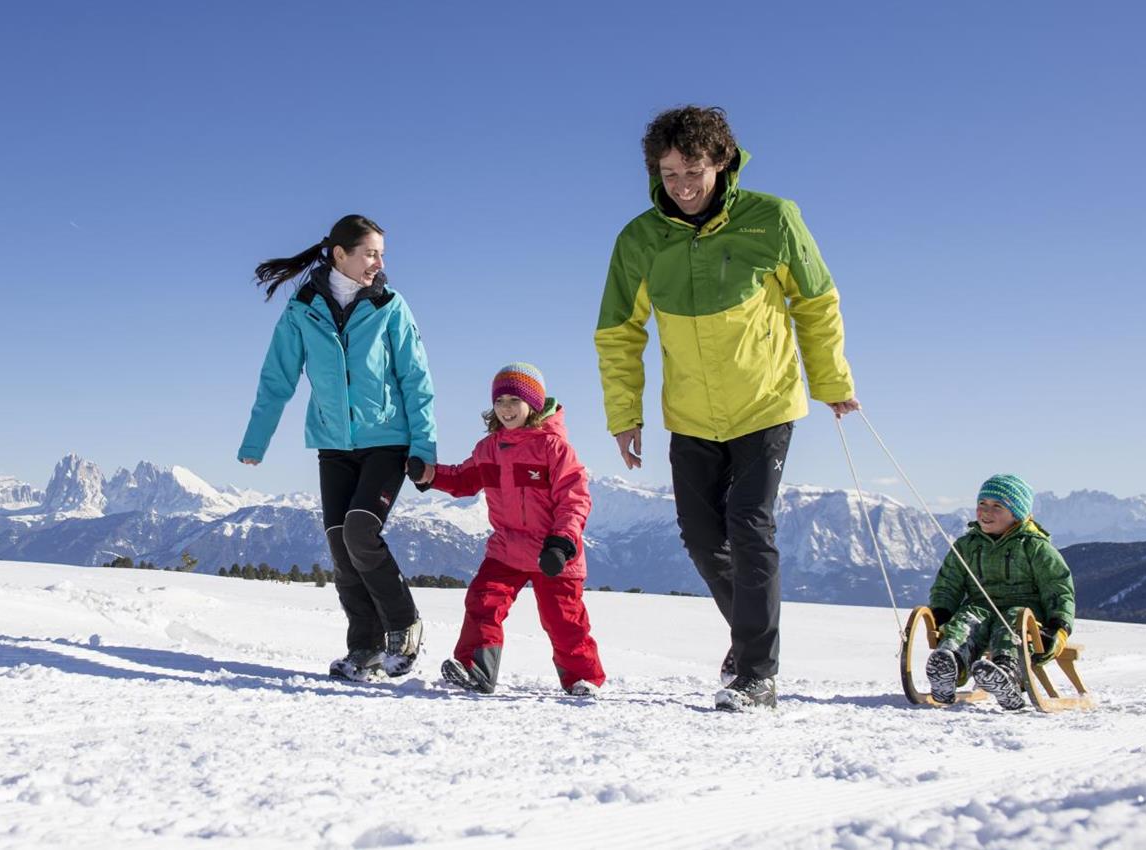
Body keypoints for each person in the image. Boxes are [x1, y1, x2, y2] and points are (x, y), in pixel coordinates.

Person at [593, 105, 859, 711]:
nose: (682, 187)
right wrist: (624, 414)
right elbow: (618, 334)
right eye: (668, 174)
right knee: (699, 535)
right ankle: (748, 641)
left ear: (722, 162)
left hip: (766, 401)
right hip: (689, 412)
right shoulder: (639, 240)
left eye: (694, 172)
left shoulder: (774, 220)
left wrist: (832, 381)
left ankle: (756, 671)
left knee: (748, 522)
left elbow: (816, 305)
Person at [238, 214, 437, 682]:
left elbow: (416, 377)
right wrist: (256, 439)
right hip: (333, 443)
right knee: (340, 546)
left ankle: (404, 625)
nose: (379, 263)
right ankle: (363, 648)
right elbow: (277, 377)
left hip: (388, 440)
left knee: (360, 534)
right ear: (339, 254)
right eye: (370, 253)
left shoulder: (390, 304)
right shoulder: (303, 308)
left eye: (381, 254)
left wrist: (424, 445)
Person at [412, 363, 604, 698]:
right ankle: (476, 669)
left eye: (515, 400)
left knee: (564, 620)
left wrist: (561, 543)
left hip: (553, 552)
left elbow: (574, 499)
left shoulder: (554, 448)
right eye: (500, 401)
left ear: (534, 404)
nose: (506, 408)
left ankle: (582, 679)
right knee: (482, 601)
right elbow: (463, 478)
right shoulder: (490, 448)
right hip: (507, 549)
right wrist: (429, 474)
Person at [924, 474, 1076, 711]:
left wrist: (1058, 628)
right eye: (982, 504)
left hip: (1025, 613)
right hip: (980, 606)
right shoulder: (967, 546)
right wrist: (942, 614)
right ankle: (949, 665)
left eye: (997, 506)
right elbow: (948, 584)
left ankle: (1008, 673)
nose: (986, 511)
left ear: (1016, 513)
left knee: (1011, 624)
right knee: (967, 619)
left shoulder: (1035, 547)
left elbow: (1058, 589)